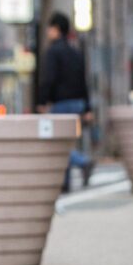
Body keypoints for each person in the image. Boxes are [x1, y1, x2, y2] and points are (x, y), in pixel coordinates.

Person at [38, 11, 94, 192]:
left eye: (50, 28)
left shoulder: (53, 51)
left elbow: (49, 79)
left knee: (57, 143)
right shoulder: (75, 51)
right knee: (67, 141)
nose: (47, 31)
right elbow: (83, 80)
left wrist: (42, 100)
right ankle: (65, 181)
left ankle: (83, 162)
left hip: (61, 102)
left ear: (56, 29)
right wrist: (87, 106)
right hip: (78, 102)